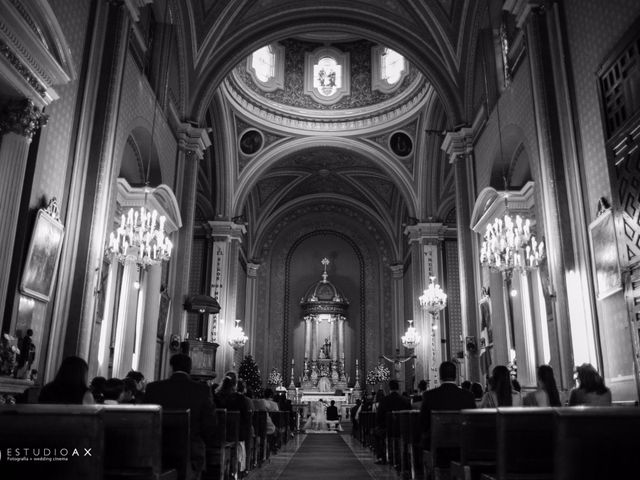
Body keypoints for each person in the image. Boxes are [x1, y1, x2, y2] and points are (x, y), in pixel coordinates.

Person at [144, 354, 216, 480]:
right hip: (191, 452)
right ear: (190, 368)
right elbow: (209, 425)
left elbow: (145, 420)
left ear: (171, 367)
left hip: (157, 450)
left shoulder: (153, 388)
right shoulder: (202, 390)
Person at [419, 361, 475, 448]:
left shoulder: (429, 395)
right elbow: (472, 422)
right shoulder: (468, 396)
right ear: (455, 376)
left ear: (440, 376)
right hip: (462, 444)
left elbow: (423, 423)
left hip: (437, 445)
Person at [216, 374, 252, 474]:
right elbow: (246, 417)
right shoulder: (239, 398)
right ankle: (240, 468)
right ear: (235, 385)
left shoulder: (216, 396)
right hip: (235, 435)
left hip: (217, 434)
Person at [375, 379, 411, 464]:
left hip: (387, 429)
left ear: (389, 388)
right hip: (402, 429)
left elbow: (379, 417)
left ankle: (382, 456)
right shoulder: (405, 400)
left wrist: (380, 425)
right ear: (398, 388)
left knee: (376, 433)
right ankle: (404, 455)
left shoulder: (384, 400)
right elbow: (409, 414)